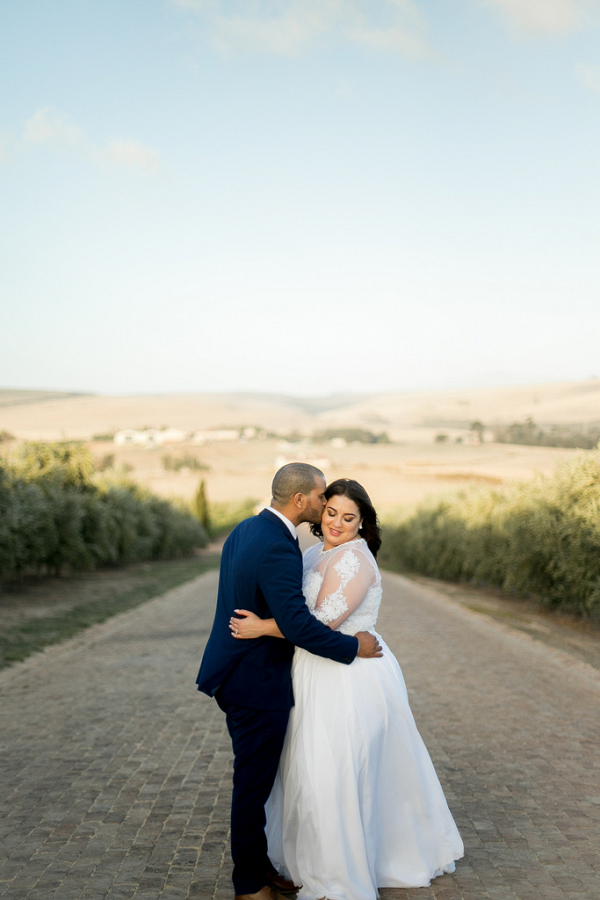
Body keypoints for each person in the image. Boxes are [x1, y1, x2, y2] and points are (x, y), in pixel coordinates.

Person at [229, 478, 464, 900]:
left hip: (349, 676)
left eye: (348, 517)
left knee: (336, 770)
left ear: (363, 523)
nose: (337, 523)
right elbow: (295, 610)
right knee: (306, 768)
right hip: (311, 671)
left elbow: (318, 625)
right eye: (331, 512)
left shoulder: (357, 561)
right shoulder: (316, 551)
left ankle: (342, 867)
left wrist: (261, 627)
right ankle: (309, 858)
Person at [196, 464, 383, 900]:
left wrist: (264, 626)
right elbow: (300, 625)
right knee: (253, 786)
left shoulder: (246, 529)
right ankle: (250, 885)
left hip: (240, 674)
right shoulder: (280, 547)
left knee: (260, 781)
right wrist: (353, 648)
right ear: (301, 501)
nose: (325, 508)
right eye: (322, 499)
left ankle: (261, 867)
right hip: (257, 682)